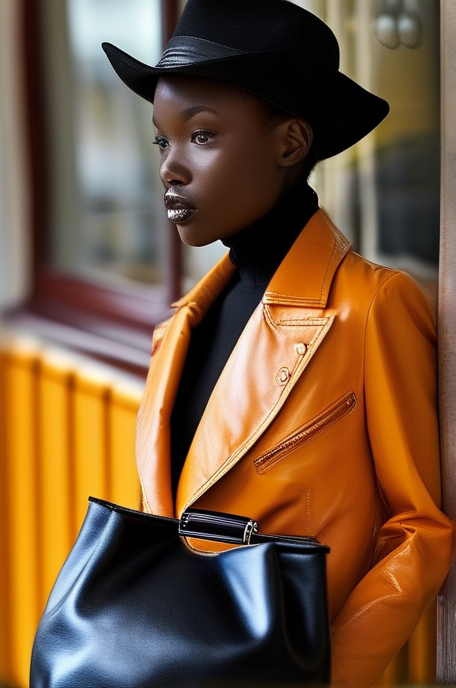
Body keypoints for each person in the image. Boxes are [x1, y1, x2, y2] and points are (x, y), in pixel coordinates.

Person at [103, 1, 454, 686]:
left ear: (290, 144)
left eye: (201, 136)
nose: (171, 168)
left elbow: (419, 529)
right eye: (162, 141)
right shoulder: (183, 326)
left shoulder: (370, 308)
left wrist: (330, 674)